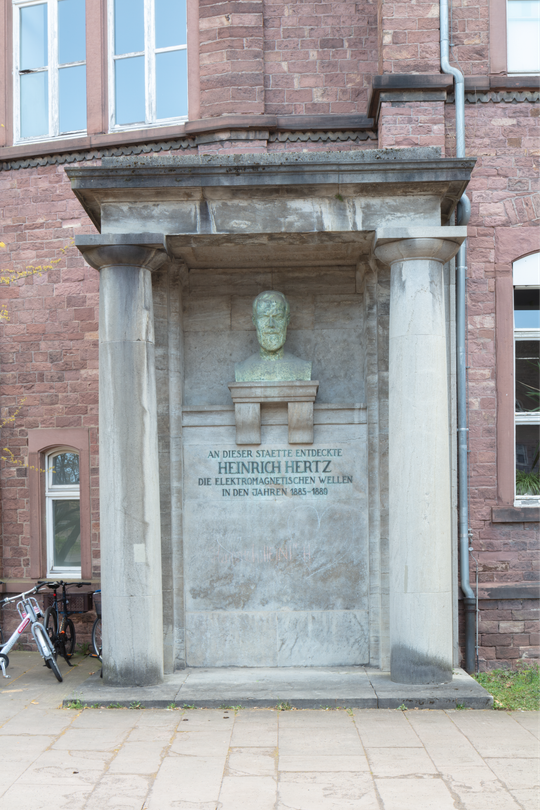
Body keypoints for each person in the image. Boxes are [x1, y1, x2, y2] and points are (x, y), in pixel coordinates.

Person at [235, 290, 312, 382]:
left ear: (287, 320)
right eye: (264, 317)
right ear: (255, 321)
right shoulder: (242, 369)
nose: (271, 324)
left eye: (278, 317)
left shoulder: (302, 368)